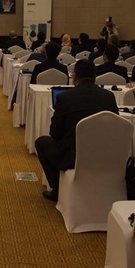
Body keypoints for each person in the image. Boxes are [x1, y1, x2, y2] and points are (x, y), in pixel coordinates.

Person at [34, 59, 119, 201]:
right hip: (104, 153)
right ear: (95, 76)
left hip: (73, 157)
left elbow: (55, 133)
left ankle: (58, 189)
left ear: (75, 76)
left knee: (41, 142)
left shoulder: (65, 97)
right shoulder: (109, 96)